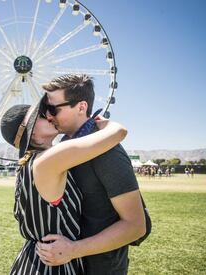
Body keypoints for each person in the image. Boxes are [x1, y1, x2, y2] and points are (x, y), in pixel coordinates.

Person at [0, 98, 130, 275]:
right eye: (41, 115)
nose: (49, 115)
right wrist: (97, 122)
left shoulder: (29, 164)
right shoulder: (49, 160)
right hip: (53, 264)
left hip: (35, 260)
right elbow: (118, 132)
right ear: (31, 134)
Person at [35, 74, 146, 274]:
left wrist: (73, 250)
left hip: (101, 267)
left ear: (81, 107)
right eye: (44, 109)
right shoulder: (65, 148)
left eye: (52, 109)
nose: (48, 116)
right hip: (71, 264)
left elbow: (136, 226)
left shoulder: (108, 151)